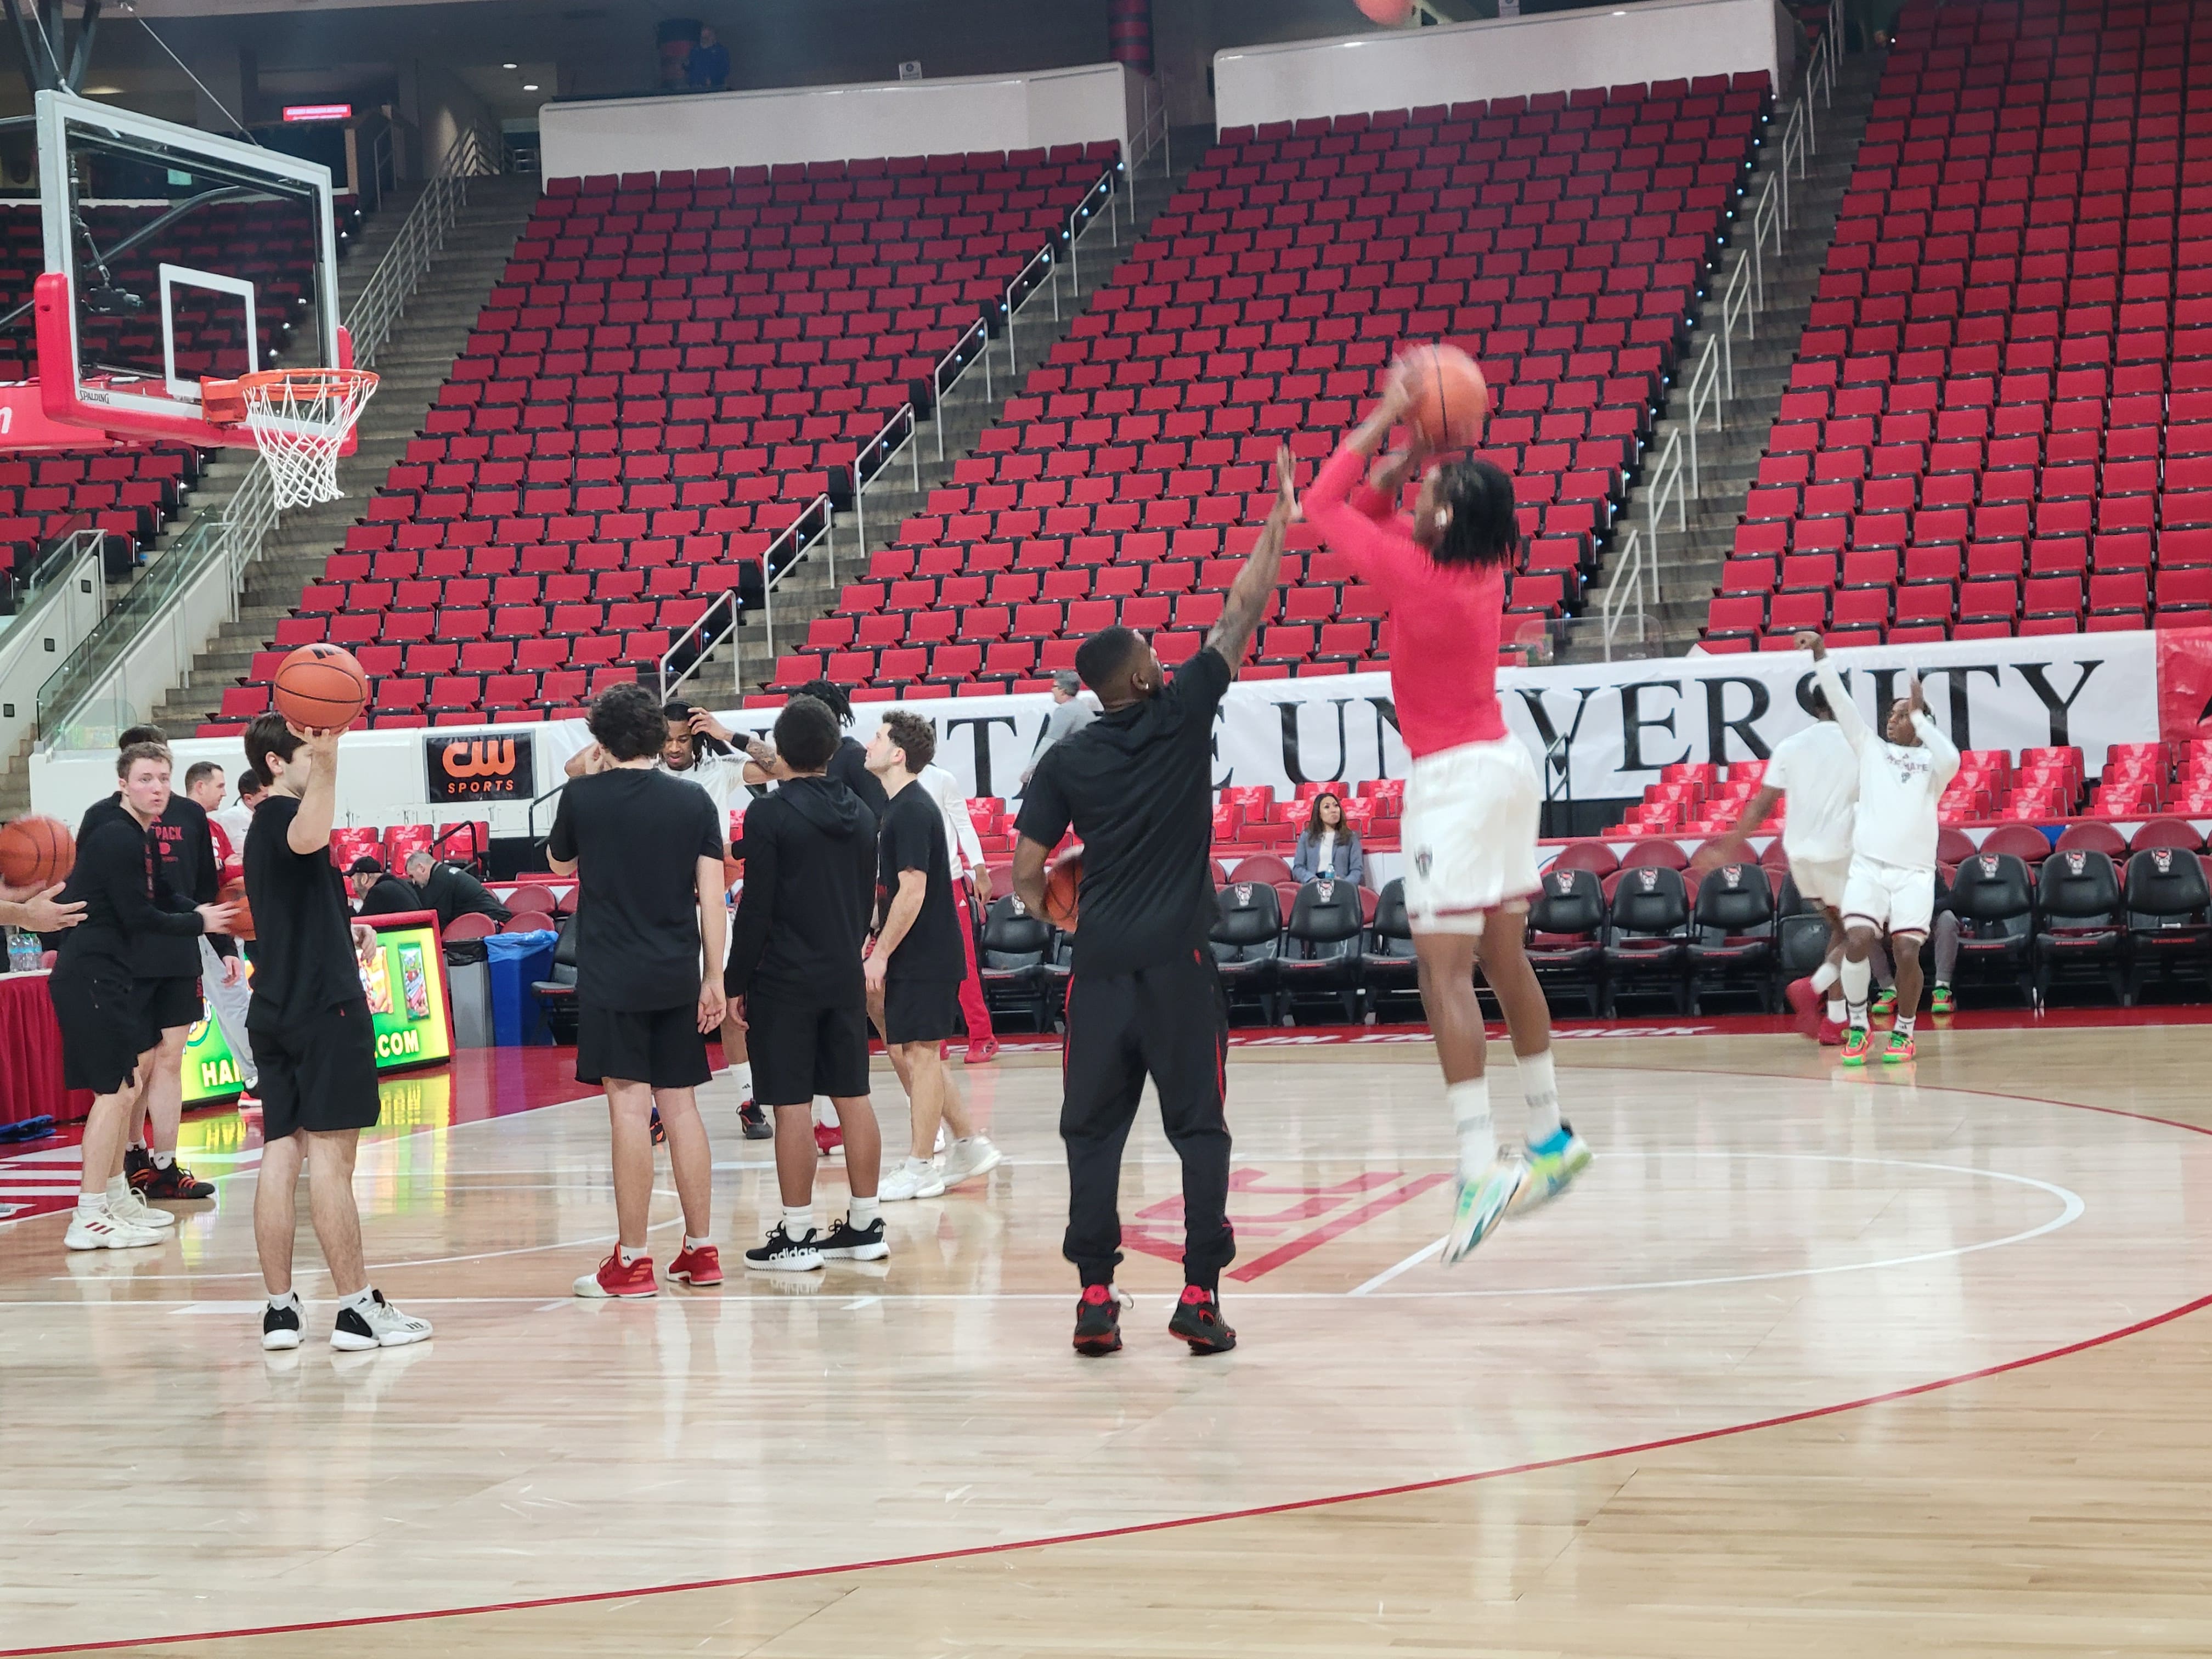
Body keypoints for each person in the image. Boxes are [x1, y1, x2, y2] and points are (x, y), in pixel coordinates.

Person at [1011, 446, 1296, 1359]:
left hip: (1096, 973)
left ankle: (1096, 1295)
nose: (1160, 655)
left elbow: (1023, 873)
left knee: (1091, 1134)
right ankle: (1198, 1294)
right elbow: (1239, 610)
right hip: (1179, 967)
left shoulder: (1065, 760)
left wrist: (1058, 911)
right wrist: (1279, 520)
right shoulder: (1180, 715)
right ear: (1137, 678)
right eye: (1148, 652)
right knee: (1198, 1128)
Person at [1302, 372, 1590, 1265]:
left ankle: (1479, 1164)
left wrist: (1391, 416)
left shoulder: (1410, 569)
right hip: (1505, 764)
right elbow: (1382, 500)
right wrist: (1420, 453)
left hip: (1454, 780)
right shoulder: (1473, 560)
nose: (1414, 491)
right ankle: (1550, 1136)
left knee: (1442, 971)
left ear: (1437, 520)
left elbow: (1322, 500)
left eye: (1426, 490)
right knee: (1503, 958)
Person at [241, 714, 433, 1351]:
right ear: (276, 762)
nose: (316, 755)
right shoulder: (281, 817)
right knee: (330, 1158)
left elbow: (296, 903)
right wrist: (328, 760)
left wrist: (343, 926)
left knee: (280, 1152)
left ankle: (279, 1311)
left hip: (277, 1005)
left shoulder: (262, 828)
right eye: (304, 748)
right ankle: (356, 1310)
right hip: (324, 1011)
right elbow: (309, 834)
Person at [549, 682, 728, 1298]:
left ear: (601, 739)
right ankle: (702, 1252)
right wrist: (715, 977)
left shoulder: (583, 797)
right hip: (677, 972)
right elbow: (713, 898)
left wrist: (585, 769)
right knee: (682, 1109)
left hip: (611, 975)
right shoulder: (693, 802)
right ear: (657, 736)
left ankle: (633, 1260)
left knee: (629, 1110)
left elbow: (558, 865)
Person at [724, 696, 888, 1272]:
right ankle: (866, 1226)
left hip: (786, 976)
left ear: (781, 749)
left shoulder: (770, 815)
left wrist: (734, 979)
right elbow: (869, 898)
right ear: (833, 749)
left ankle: (796, 1236)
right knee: (854, 1095)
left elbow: (757, 909)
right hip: (844, 969)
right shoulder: (865, 814)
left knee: (793, 1106)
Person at [52, 743, 233, 1251]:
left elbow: (163, 898)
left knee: (127, 1089)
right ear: (123, 784)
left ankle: (114, 1197)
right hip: (91, 971)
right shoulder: (114, 835)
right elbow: (137, 915)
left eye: (163, 778)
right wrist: (199, 921)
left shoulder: (141, 833)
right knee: (113, 1094)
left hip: (114, 972)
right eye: (146, 778)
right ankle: (88, 1214)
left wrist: (207, 917)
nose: (156, 788)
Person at [1799, 631, 1960, 1064]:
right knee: (1857, 940)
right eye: (1891, 713)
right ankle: (1858, 1026)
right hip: (1868, 868)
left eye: (1903, 714)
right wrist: (1820, 655)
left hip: (1914, 874)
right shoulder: (1871, 750)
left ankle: (1904, 1032)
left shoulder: (1932, 765)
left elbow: (1953, 758)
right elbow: (1842, 702)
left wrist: (1922, 718)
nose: (1893, 719)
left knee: (1907, 951)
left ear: (1923, 722)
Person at [864, 712, 1001, 1203]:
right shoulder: (899, 807)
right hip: (916, 949)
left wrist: (879, 954)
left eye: (878, 737)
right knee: (923, 1056)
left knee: (922, 1057)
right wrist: (877, 933)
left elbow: (914, 890)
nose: (869, 743)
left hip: (925, 951)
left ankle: (922, 1165)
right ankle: (966, 1143)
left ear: (898, 754)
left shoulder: (912, 810)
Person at [1691, 684, 1859, 1044]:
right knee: (1865, 932)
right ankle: (1812, 987)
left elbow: (1762, 805)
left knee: (1841, 931)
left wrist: (1727, 847)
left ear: (1814, 708)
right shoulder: (1860, 743)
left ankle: (1834, 1022)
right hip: (1842, 851)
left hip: (1799, 856)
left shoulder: (1790, 745)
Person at [183, 760, 260, 1094]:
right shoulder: (180, 824)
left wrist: (241, 869)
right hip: (203, 922)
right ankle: (260, 1070)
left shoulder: (214, 828)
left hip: (224, 922)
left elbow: (229, 875)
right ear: (200, 787)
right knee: (232, 999)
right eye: (219, 786)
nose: (225, 792)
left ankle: (253, 1075)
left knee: (231, 998)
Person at [917, 754, 999, 1064]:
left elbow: (963, 825)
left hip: (948, 882)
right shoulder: (886, 783)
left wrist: (980, 870)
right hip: (911, 884)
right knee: (920, 966)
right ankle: (933, 1040)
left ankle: (983, 1037)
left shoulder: (942, 779)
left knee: (962, 964)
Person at [402, 850, 512, 930]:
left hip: (495, 923)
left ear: (421, 868)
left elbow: (440, 921)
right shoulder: (445, 873)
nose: (414, 882)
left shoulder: (441, 880)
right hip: (494, 919)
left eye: (412, 876)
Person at [1021, 672, 1096, 788]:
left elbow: (1049, 741)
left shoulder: (1065, 710)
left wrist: (1029, 770)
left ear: (1063, 690)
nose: (1052, 690)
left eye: (1054, 687)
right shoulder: (1080, 706)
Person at [1289, 791, 1367, 886]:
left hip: (1341, 887)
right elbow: (1298, 867)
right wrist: (1312, 880)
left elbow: (1357, 871)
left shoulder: (1351, 837)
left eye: (1336, 806)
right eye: (1327, 807)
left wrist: (1345, 884)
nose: (1334, 810)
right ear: (1319, 814)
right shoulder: (1307, 836)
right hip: (1313, 887)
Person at [347, 857, 421, 918]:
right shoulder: (399, 884)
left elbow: (359, 926)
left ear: (364, 878)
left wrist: (349, 908)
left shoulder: (378, 892)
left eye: (353, 881)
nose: (353, 887)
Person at [685, 24, 730, 91]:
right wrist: (685, 65)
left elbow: (725, 69)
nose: (704, 39)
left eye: (707, 36)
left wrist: (712, 79)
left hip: (715, 88)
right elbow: (690, 67)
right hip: (695, 89)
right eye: (703, 37)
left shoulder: (720, 51)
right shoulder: (695, 51)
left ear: (713, 36)